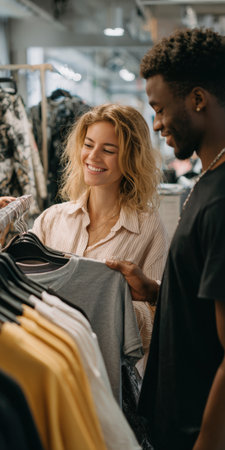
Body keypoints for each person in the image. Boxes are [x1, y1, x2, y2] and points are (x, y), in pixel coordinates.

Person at [106, 28, 225, 450]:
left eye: (158, 108)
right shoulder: (207, 184)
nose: (156, 124)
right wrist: (157, 291)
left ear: (197, 99)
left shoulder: (220, 201)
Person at [31, 103, 168, 372]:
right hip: (47, 367)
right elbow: (19, 286)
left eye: (108, 150)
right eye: (88, 144)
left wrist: (105, 306)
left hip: (106, 373)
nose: (92, 157)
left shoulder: (148, 228)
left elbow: (155, 323)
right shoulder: (51, 220)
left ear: (131, 158)